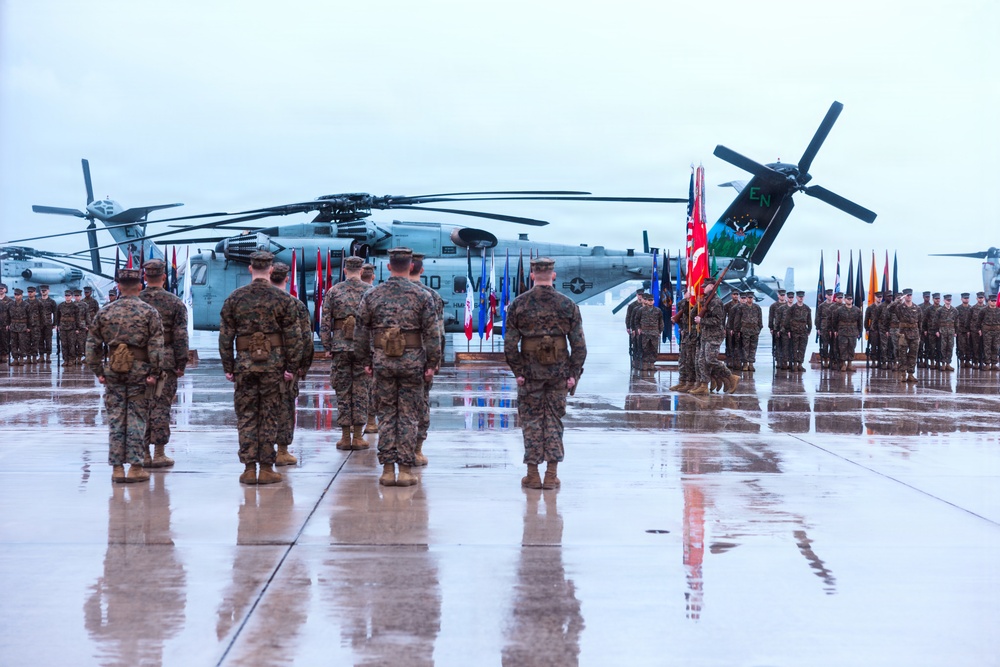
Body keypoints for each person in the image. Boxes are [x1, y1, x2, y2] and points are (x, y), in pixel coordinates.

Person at [356, 248, 441, 487]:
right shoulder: (423, 296)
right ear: (411, 267)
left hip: (383, 362)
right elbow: (433, 334)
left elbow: (360, 332)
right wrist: (432, 364)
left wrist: (365, 361)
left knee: (386, 415)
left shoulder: (372, 295)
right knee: (408, 416)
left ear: (389, 266)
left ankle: (386, 470)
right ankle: (404, 470)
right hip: (413, 364)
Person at [219, 251, 305, 485]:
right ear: (271, 270)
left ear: (250, 269)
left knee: (246, 416)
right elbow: (294, 337)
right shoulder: (284, 300)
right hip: (274, 368)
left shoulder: (235, 298)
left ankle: (249, 469)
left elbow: (225, 336)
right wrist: (291, 367)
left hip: (245, 367)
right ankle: (266, 468)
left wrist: (229, 366)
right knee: (270, 416)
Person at [504, 257, 586, 489]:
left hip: (530, 374)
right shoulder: (567, 304)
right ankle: (551, 475)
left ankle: (532, 474)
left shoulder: (519, 304)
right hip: (559, 374)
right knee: (554, 421)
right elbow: (579, 345)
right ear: (553, 275)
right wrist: (573, 374)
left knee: (531, 421)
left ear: (532, 276)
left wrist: (518, 372)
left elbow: (510, 345)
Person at [84, 268, 165, 483]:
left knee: (116, 419)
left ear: (118, 287)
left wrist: (99, 371)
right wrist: (155, 373)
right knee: (137, 418)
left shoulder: (105, 312)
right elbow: (156, 346)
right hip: (140, 372)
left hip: (114, 371)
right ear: (140, 286)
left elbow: (92, 346)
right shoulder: (149, 312)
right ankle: (136, 467)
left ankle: (117, 469)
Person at [138, 259, 190, 469]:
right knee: (161, 406)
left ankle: (143, 453)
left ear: (145, 277)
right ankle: (159, 453)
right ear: (164, 277)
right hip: (166, 359)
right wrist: (181, 362)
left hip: (139, 360)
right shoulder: (175, 303)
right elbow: (180, 335)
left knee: (140, 406)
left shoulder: (136, 301)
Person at [320, 256, 372, 451]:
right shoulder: (370, 291)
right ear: (361, 271)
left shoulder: (334, 291)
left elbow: (326, 321)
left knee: (343, 391)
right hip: (362, 347)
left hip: (340, 347)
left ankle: (344, 437)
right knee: (361, 390)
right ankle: (358, 436)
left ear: (344, 270)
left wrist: (327, 346)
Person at [269, 262, 313, 466]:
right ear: (287, 279)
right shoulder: (295, 304)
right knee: (285, 407)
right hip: (285, 365)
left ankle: (263, 449)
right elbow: (305, 339)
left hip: (258, 363)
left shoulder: (258, 301)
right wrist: (299, 367)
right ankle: (282, 451)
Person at [409, 252, 445, 465]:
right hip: (420, 362)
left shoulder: (379, 294)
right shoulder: (431, 296)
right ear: (421, 269)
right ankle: (416, 450)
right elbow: (438, 334)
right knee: (421, 403)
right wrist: (434, 363)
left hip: (387, 360)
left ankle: (391, 459)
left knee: (390, 407)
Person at [690, 279, 738, 395]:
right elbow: (693, 315)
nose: (703, 288)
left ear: (711, 286)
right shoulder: (707, 300)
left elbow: (718, 320)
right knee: (701, 361)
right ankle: (704, 385)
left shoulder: (716, 302)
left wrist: (702, 321)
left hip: (714, 335)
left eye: (705, 286)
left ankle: (731, 377)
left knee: (710, 360)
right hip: (706, 334)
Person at [360, 262, 379, 434]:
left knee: (349, 387)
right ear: (373, 276)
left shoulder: (336, 291)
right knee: (372, 386)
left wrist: (328, 345)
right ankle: (371, 422)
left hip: (345, 346)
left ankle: (351, 427)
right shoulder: (377, 294)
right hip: (372, 347)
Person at [892, 288, 922, 383]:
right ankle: (903, 374)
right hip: (903, 334)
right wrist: (898, 300)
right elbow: (890, 308)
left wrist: (919, 335)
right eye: (907, 295)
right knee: (902, 354)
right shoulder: (900, 308)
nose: (909, 297)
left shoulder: (917, 308)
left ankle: (910, 374)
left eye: (910, 295)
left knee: (913, 354)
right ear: (904, 296)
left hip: (914, 334)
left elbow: (920, 322)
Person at [669, 295, 697, 391]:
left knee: (690, 360)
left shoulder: (695, 306)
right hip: (685, 336)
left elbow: (688, 311)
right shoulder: (685, 307)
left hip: (693, 336)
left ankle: (690, 382)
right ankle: (682, 381)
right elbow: (680, 306)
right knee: (682, 360)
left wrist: (689, 300)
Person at [783, 290, 812, 372]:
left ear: (804, 297)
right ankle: (794, 364)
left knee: (802, 348)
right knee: (794, 348)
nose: (801, 298)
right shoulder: (792, 308)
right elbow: (787, 320)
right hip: (794, 331)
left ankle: (800, 364)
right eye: (799, 297)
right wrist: (788, 330)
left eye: (802, 297)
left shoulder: (807, 308)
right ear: (796, 297)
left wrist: (809, 329)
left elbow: (809, 320)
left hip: (803, 331)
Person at [832, 294, 863, 372]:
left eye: (850, 299)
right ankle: (843, 364)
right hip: (842, 332)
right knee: (843, 348)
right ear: (845, 300)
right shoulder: (839, 310)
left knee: (851, 348)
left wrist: (860, 331)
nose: (849, 300)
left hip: (853, 332)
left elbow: (860, 322)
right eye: (848, 299)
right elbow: (834, 321)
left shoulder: (857, 310)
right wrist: (835, 330)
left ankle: (850, 364)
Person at [734, 291, 763, 372]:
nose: (750, 299)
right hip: (745, 330)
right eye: (749, 298)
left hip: (754, 330)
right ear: (746, 298)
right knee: (745, 347)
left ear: (753, 298)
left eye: (751, 298)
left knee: (753, 347)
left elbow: (760, 319)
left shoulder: (757, 307)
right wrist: (737, 330)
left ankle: (751, 363)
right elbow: (737, 320)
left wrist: (759, 328)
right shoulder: (741, 307)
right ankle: (745, 363)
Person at [636, 293, 663, 373]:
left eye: (652, 300)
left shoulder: (658, 310)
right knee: (645, 348)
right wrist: (638, 328)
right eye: (649, 300)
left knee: (654, 349)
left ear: (654, 301)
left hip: (654, 332)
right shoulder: (641, 310)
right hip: (645, 332)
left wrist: (660, 331)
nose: (651, 302)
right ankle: (645, 364)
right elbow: (637, 320)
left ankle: (651, 364)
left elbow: (661, 321)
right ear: (646, 301)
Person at [8, 288, 34, 366]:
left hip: (23, 326)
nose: (17, 296)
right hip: (13, 326)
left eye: (18, 295)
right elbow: (8, 316)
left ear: (22, 295)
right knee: (13, 343)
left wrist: (29, 327)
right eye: (15, 295)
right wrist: (8, 324)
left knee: (22, 343)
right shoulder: (10, 304)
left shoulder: (26, 305)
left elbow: (30, 317)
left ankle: (22, 359)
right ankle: (15, 359)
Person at [55, 289, 80, 366]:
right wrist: (57, 325)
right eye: (66, 296)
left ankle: (72, 359)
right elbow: (57, 316)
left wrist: (77, 328)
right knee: (64, 344)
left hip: (71, 328)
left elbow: (77, 318)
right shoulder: (60, 306)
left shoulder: (75, 306)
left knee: (71, 344)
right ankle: (65, 359)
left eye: (69, 296)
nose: (67, 297)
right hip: (63, 327)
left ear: (71, 296)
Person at [934, 294, 957, 371]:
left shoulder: (954, 310)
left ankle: (948, 363)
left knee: (950, 347)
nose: (948, 301)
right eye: (947, 300)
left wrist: (956, 331)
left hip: (951, 331)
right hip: (942, 331)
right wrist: (936, 330)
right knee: (942, 347)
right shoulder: (939, 310)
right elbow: (935, 321)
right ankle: (943, 363)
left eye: (949, 300)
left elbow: (956, 322)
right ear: (944, 300)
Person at [978, 294, 1000, 370]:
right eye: (992, 301)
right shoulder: (983, 310)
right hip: (987, 332)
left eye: (995, 301)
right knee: (987, 348)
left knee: (995, 347)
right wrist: (979, 330)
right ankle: (987, 363)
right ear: (989, 301)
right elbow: (979, 321)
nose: (994, 302)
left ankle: (994, 364)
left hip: (997, 332)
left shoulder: (999, 310)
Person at [625, 288, 645, 370]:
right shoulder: (632, 305)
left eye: (642, 295)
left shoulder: (645, 305)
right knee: (635, 345)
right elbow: (628, 317)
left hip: (643, 327)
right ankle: (635, 361)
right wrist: (628, 327)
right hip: (634, 327)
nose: (640, 296)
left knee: (643, 345)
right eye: (639, 295)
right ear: (637, 295)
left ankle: (643, 362)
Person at [769, 289, 788, 370]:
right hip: (776, 329)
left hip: (786, 329)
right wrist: (771, 328)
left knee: (786, 346)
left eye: (783, 295)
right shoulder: (773, 306)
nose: (782, 297)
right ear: (778, 296)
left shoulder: (789, 305)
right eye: (781, 295)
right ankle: (778, 361)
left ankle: (785, 361)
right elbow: (771, 317)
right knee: (777, 346)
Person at [37, 284, 57, 363]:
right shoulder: (37, 301)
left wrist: (55, 323)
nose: (43, 292)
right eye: (42, 290)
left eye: (45, 290)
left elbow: (55, 313)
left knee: (48, 340)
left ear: (48, 291)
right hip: (39, 323)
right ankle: (41, 356)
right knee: (40, 340)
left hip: (48, 323)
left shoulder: (52, 302)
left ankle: (48, 356)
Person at [24, 286, 43, 364]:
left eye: (31, 292)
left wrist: (41, 325)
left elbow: (42, 314)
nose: (30, 293)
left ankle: (34, 357)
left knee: (35, 342)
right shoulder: (25, 302)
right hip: (27, 325)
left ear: (35, 292)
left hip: (36, 325)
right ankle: (28, 357)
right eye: (29, 292)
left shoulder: (39, 302)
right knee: (27, 342)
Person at [0, 283, 10, 368]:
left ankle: (4, 355)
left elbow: (12, 313)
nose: (1, 290)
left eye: (2, 289)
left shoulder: (9, 301)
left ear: (5, 290)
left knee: (5, 340)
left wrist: (9, 323)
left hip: (5, 324)